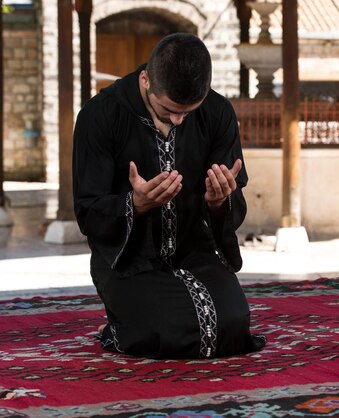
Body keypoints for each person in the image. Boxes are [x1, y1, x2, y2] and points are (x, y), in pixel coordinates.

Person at [72, 33, 266, 359]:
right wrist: (135, 204)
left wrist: (219, 201)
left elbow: (232, 202)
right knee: (160, 333)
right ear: (145, 79)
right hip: (130, 258)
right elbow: (88, 209)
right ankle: (123, 322)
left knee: (232, 326)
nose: (177, 121)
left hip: (196, 250)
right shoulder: (99, 115)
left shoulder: (217, 112)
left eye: (188, 113)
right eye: (169, 111)